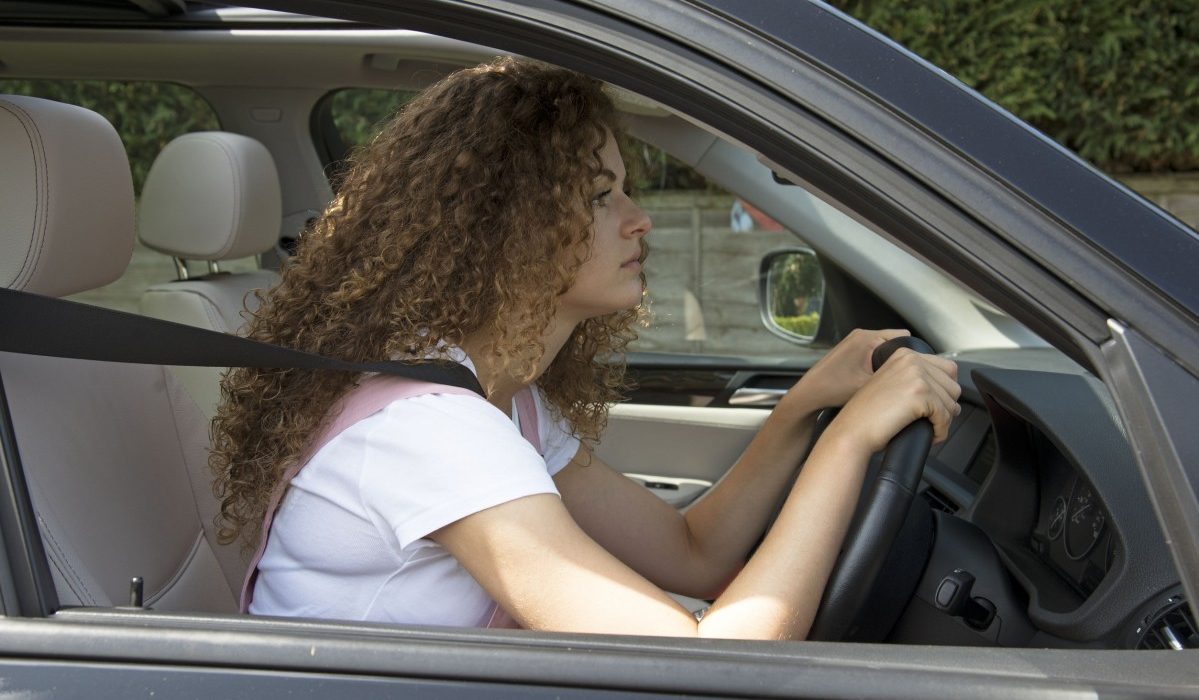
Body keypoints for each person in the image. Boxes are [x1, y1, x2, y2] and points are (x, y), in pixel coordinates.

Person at [209, 57, 960, 640]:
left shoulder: (507, 402)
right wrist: (853, 440)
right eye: (602, 197)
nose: (639, 220)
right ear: (509, 227)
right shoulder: (430, 431)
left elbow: (693, 552)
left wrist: (807, 406)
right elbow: (704, 667)